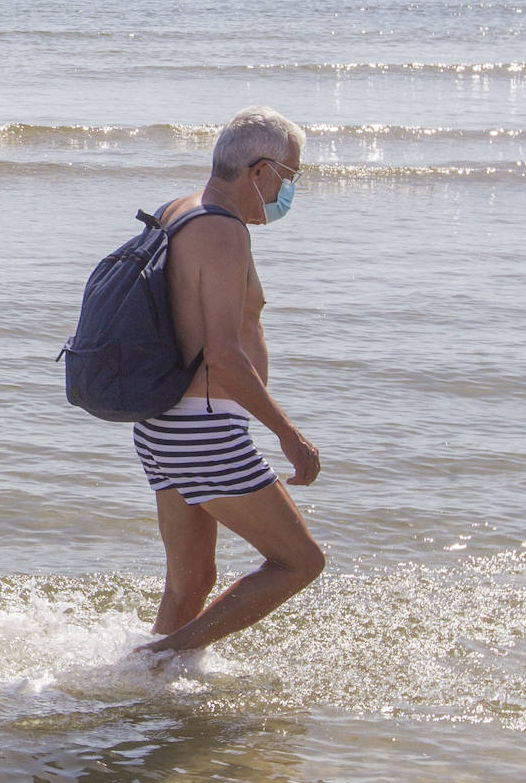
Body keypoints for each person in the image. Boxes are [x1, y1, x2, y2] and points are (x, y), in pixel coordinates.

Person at [135, 107, 324, 654]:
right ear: (260, 172)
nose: (289, 190)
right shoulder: (221, 231)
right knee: (300, 561)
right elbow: (223, 355)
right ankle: (156, 662)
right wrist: (287, 434)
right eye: (290, 177)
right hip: (203, 429)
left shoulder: (181, 210)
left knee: (190, 583)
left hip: (163, 422)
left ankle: (145, 697)